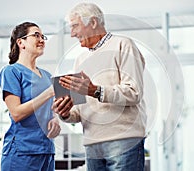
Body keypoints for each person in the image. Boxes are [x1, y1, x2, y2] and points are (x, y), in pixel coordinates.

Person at [52, 2, 147, 171]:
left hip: (124, 141)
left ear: (93, 22)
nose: (72, 34)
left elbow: (134, 92)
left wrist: (94, 90)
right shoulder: (80, 60)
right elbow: (81, 111)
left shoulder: (123, 45)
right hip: (92, 144)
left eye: (75, 26)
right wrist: (66, 113)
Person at [0, 21, 72, 171]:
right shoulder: (11, 72)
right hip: (22, 153)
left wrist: (56, 121)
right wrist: (49, 92)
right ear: (21, 42)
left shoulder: (47, 76)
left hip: (47, 151)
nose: (42, 39)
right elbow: (16, 113)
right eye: (36, 35)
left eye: (43, 36)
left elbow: (51, 110)